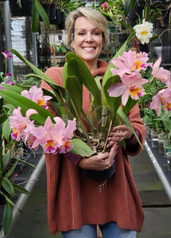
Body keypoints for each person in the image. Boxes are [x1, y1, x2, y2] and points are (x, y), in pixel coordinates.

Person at [41, 7, 146, 238]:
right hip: (73, 186)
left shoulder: (119, 75)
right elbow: (46, 130)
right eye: (81, 33)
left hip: (115, 186)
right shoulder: (56, 78)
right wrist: (80, 159)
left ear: (104, 39)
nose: (89, 39)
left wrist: (128, 133)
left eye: (96, 33)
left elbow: (137, 125)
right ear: (71, 39)